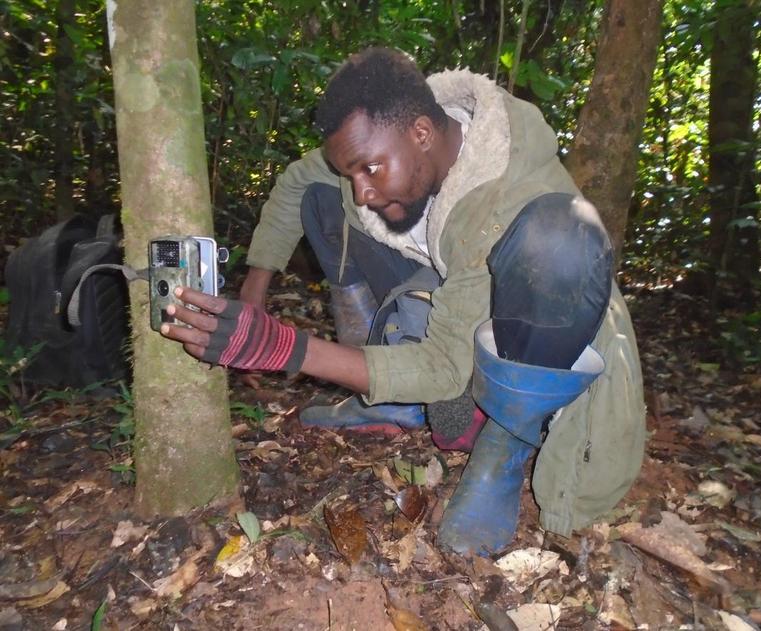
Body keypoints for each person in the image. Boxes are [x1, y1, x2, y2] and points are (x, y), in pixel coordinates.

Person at [160, 47, 646, 556]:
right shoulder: (388, 137)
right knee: (321, 197)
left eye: (370, 169)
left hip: (530, 320)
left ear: (421, 134)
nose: (363, 191)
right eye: (354, 172)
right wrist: (254, 291)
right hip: (444, 287)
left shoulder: (507, 189)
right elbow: (297, 182)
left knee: (558, 239)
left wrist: (285, 348)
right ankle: (397, 395)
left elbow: (444, 367)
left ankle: (504, 446)